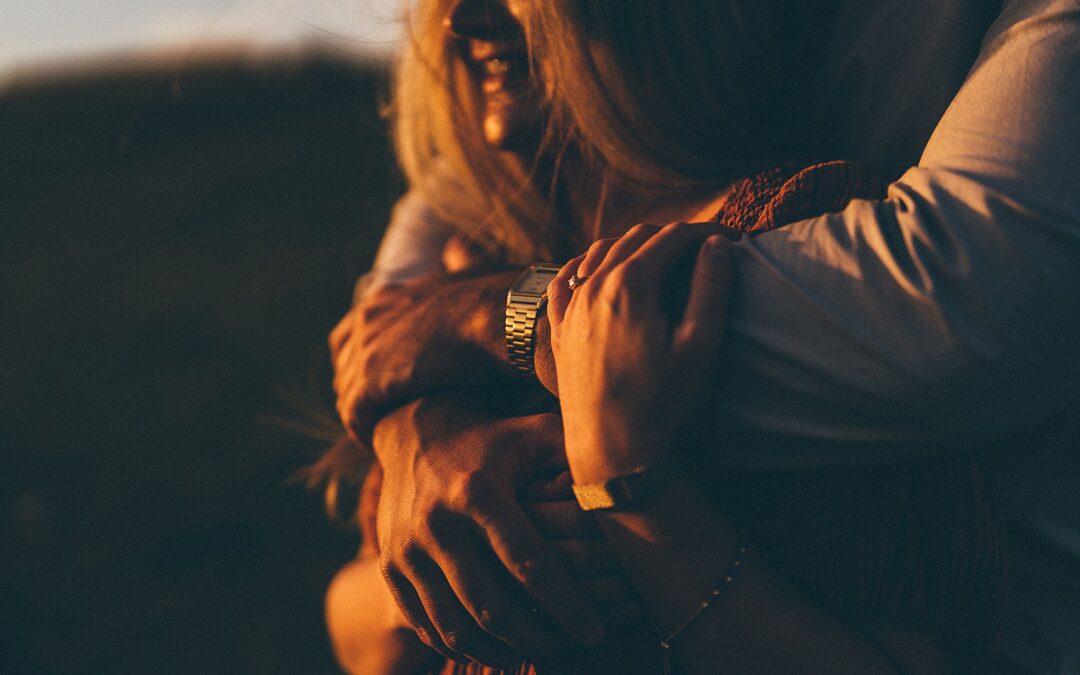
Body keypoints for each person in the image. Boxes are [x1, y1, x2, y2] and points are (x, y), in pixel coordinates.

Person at [323, 0, 1080, 672]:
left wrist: (631, 493)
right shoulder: (493, 226)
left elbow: (975, 298)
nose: (459, 17)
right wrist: (429, 481)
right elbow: (358, 618)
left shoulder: (784, 227)